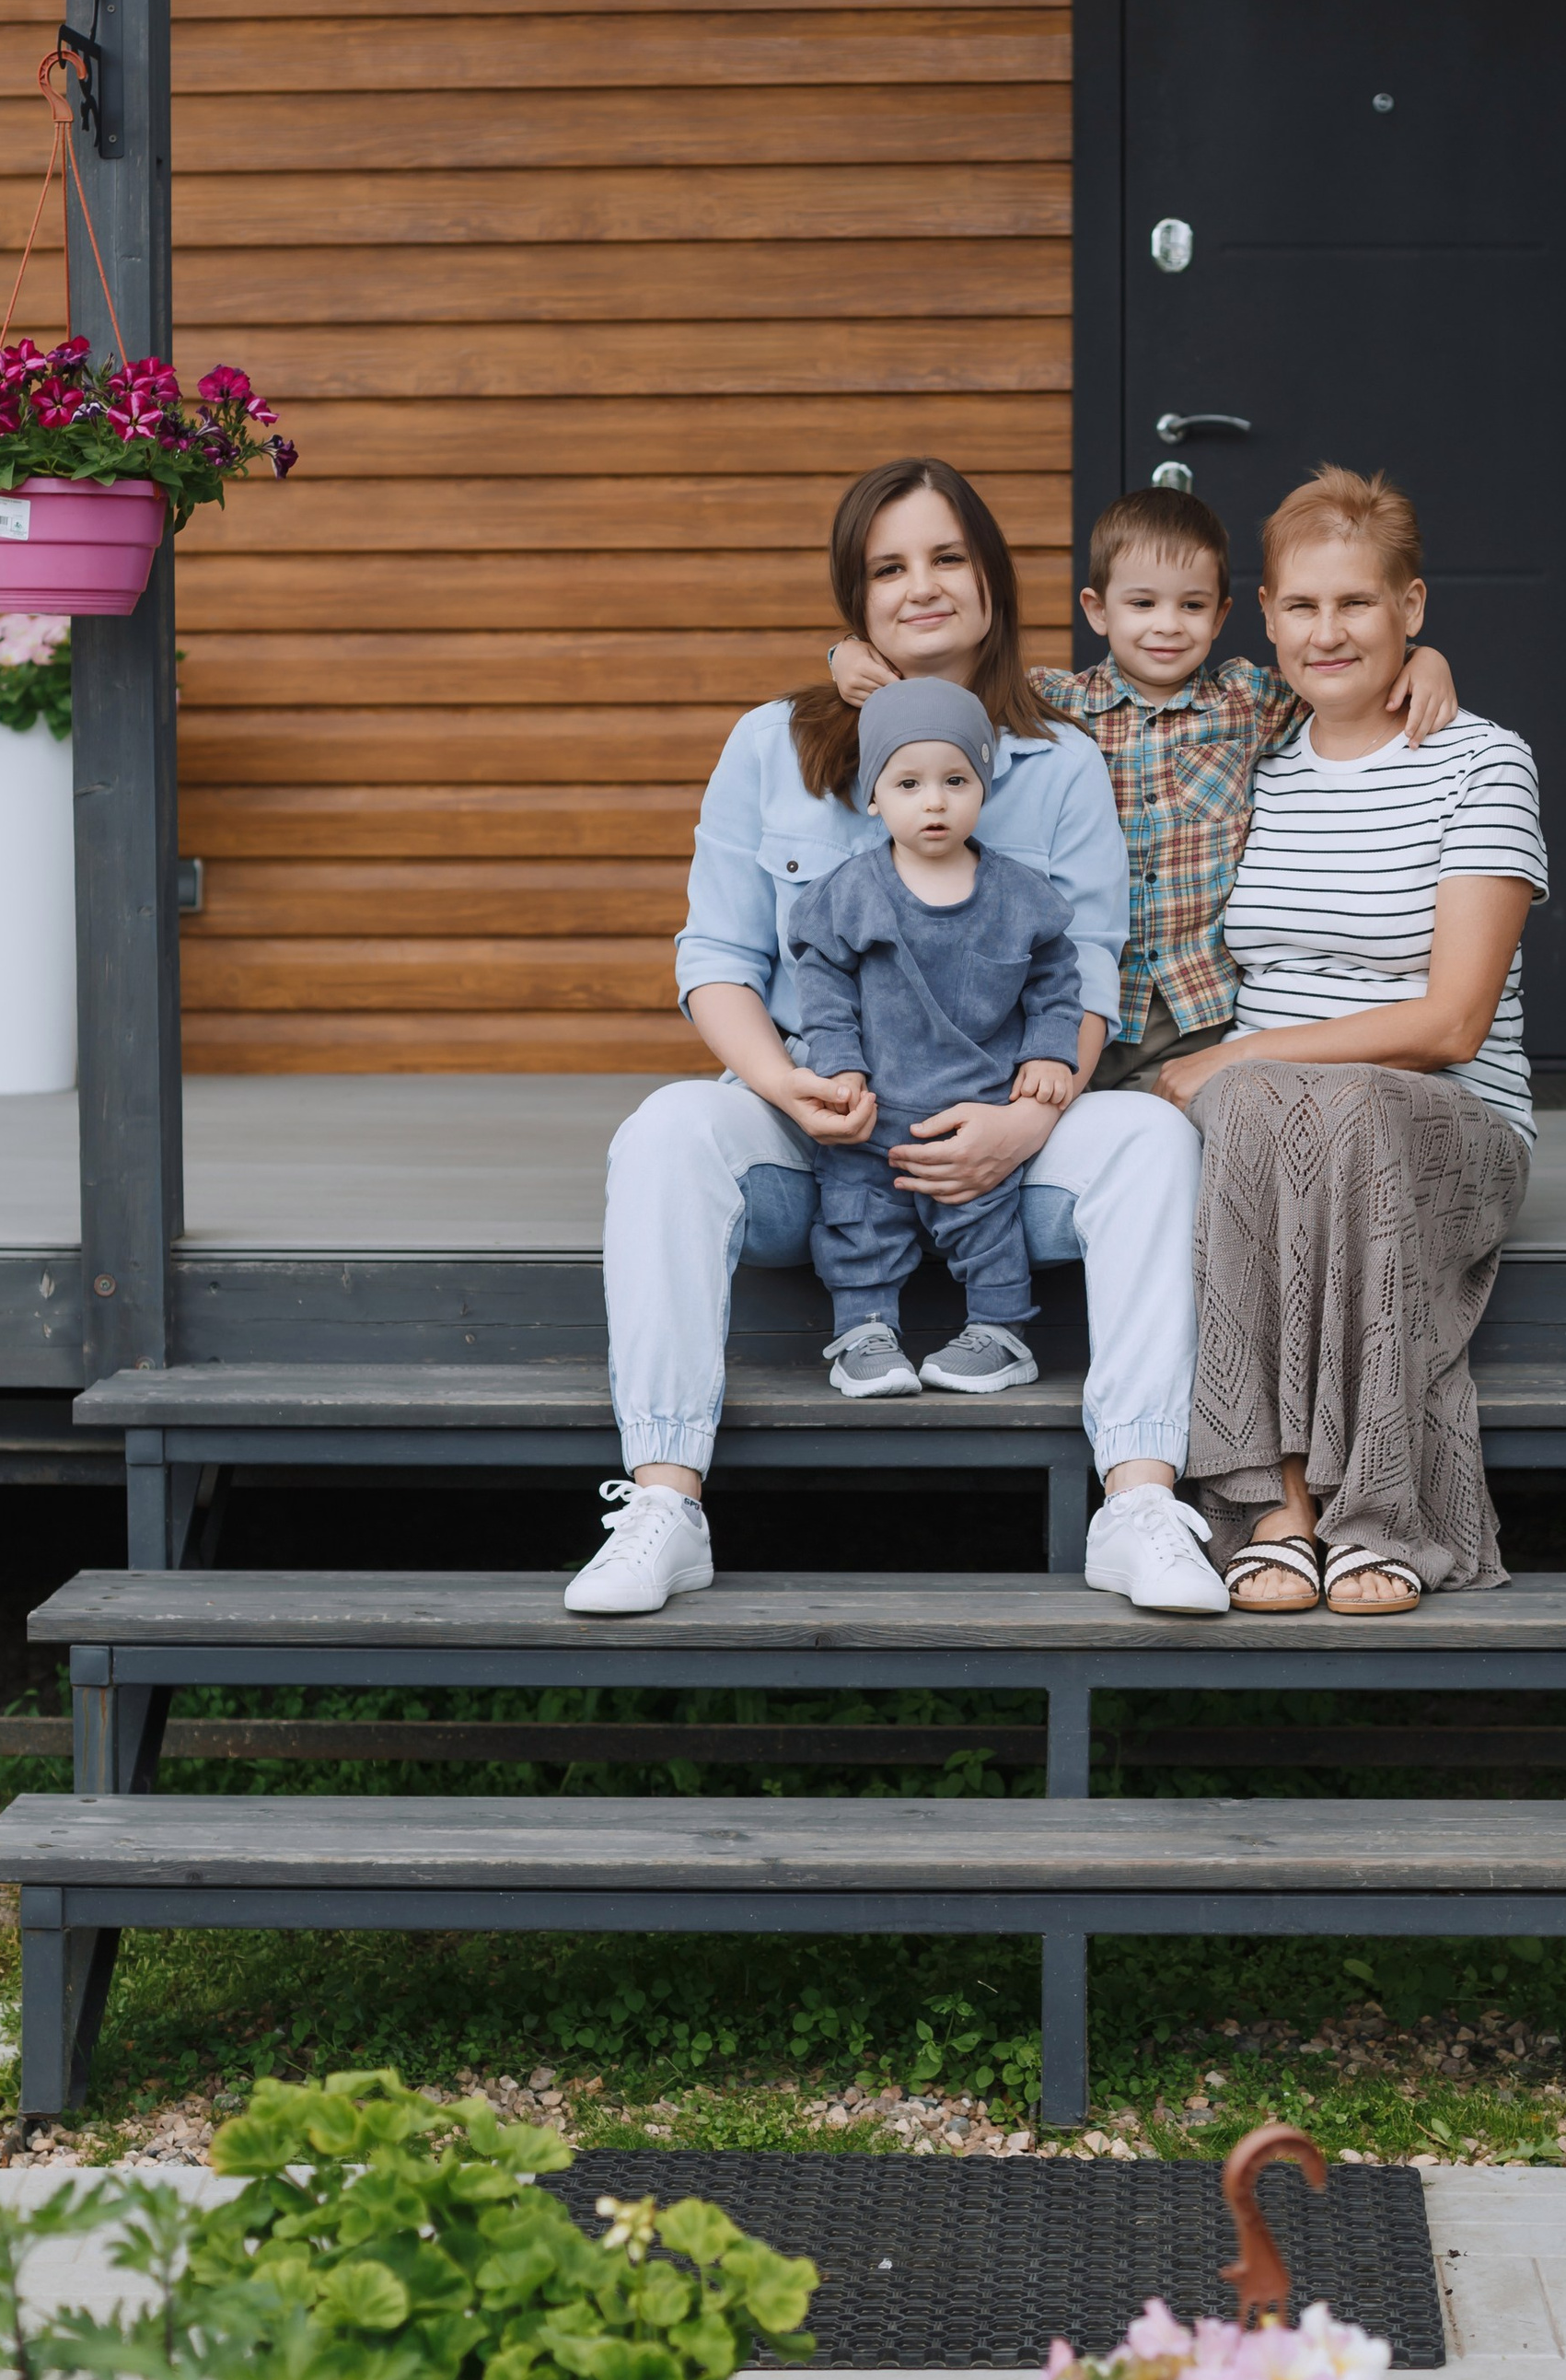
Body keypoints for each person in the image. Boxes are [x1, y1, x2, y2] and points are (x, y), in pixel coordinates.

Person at [574, 458, 1228, 1620]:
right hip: (818, 1141)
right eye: (888, 568)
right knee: (668, 1130)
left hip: (1007, 1157)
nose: (919, 587)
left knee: (1147, 1142)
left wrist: (1027, 1122)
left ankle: (1136, 1500)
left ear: (988, 578)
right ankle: (667, 1502)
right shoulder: (772, 744)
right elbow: (716, 957)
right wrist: (784, 1079)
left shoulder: (1062, 761)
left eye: (944, 558)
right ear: (855, 596)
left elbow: (1086, 972)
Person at [1152, 466, 1547, 1615]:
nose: (1329, 633)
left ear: (1411, 610)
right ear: (1266, 619)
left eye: (1358, 605)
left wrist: (1236, 1057)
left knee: (1332, 1105)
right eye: (1303, 607)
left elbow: (1450, 1021)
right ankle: (1275, 1506)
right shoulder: (1247, 762)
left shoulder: (1481, 758)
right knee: (1269, 1115)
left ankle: (1380, 1509)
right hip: (1265, 1127)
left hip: (1440, 1118)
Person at [827, 483, 1458, 1095]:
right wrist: (845, 653)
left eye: (1191, 605)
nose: (1167, 626)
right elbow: (945, 697)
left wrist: (1422, 657)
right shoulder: (1052, 703)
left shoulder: (1247, 702)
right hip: (1079, 999)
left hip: (1201, 1007)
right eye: (1142, 604)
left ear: (1223, 614)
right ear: (1098, 610)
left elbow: (1336, 673)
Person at [787, 677, 1085, 1399]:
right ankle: (864, 1333)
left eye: (956, 780)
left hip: (973, 1117)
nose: (933, 801)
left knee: (987, 1222)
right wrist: (838, 1065)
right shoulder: (850, 891)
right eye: (908, 782)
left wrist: (1050, 1048)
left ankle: (1002, 1332)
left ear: (982, 787)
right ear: (873, 795)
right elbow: (822, 985)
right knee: (858, 1219)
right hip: (871, 1115)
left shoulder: (1018, 895)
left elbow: (1057, 979)